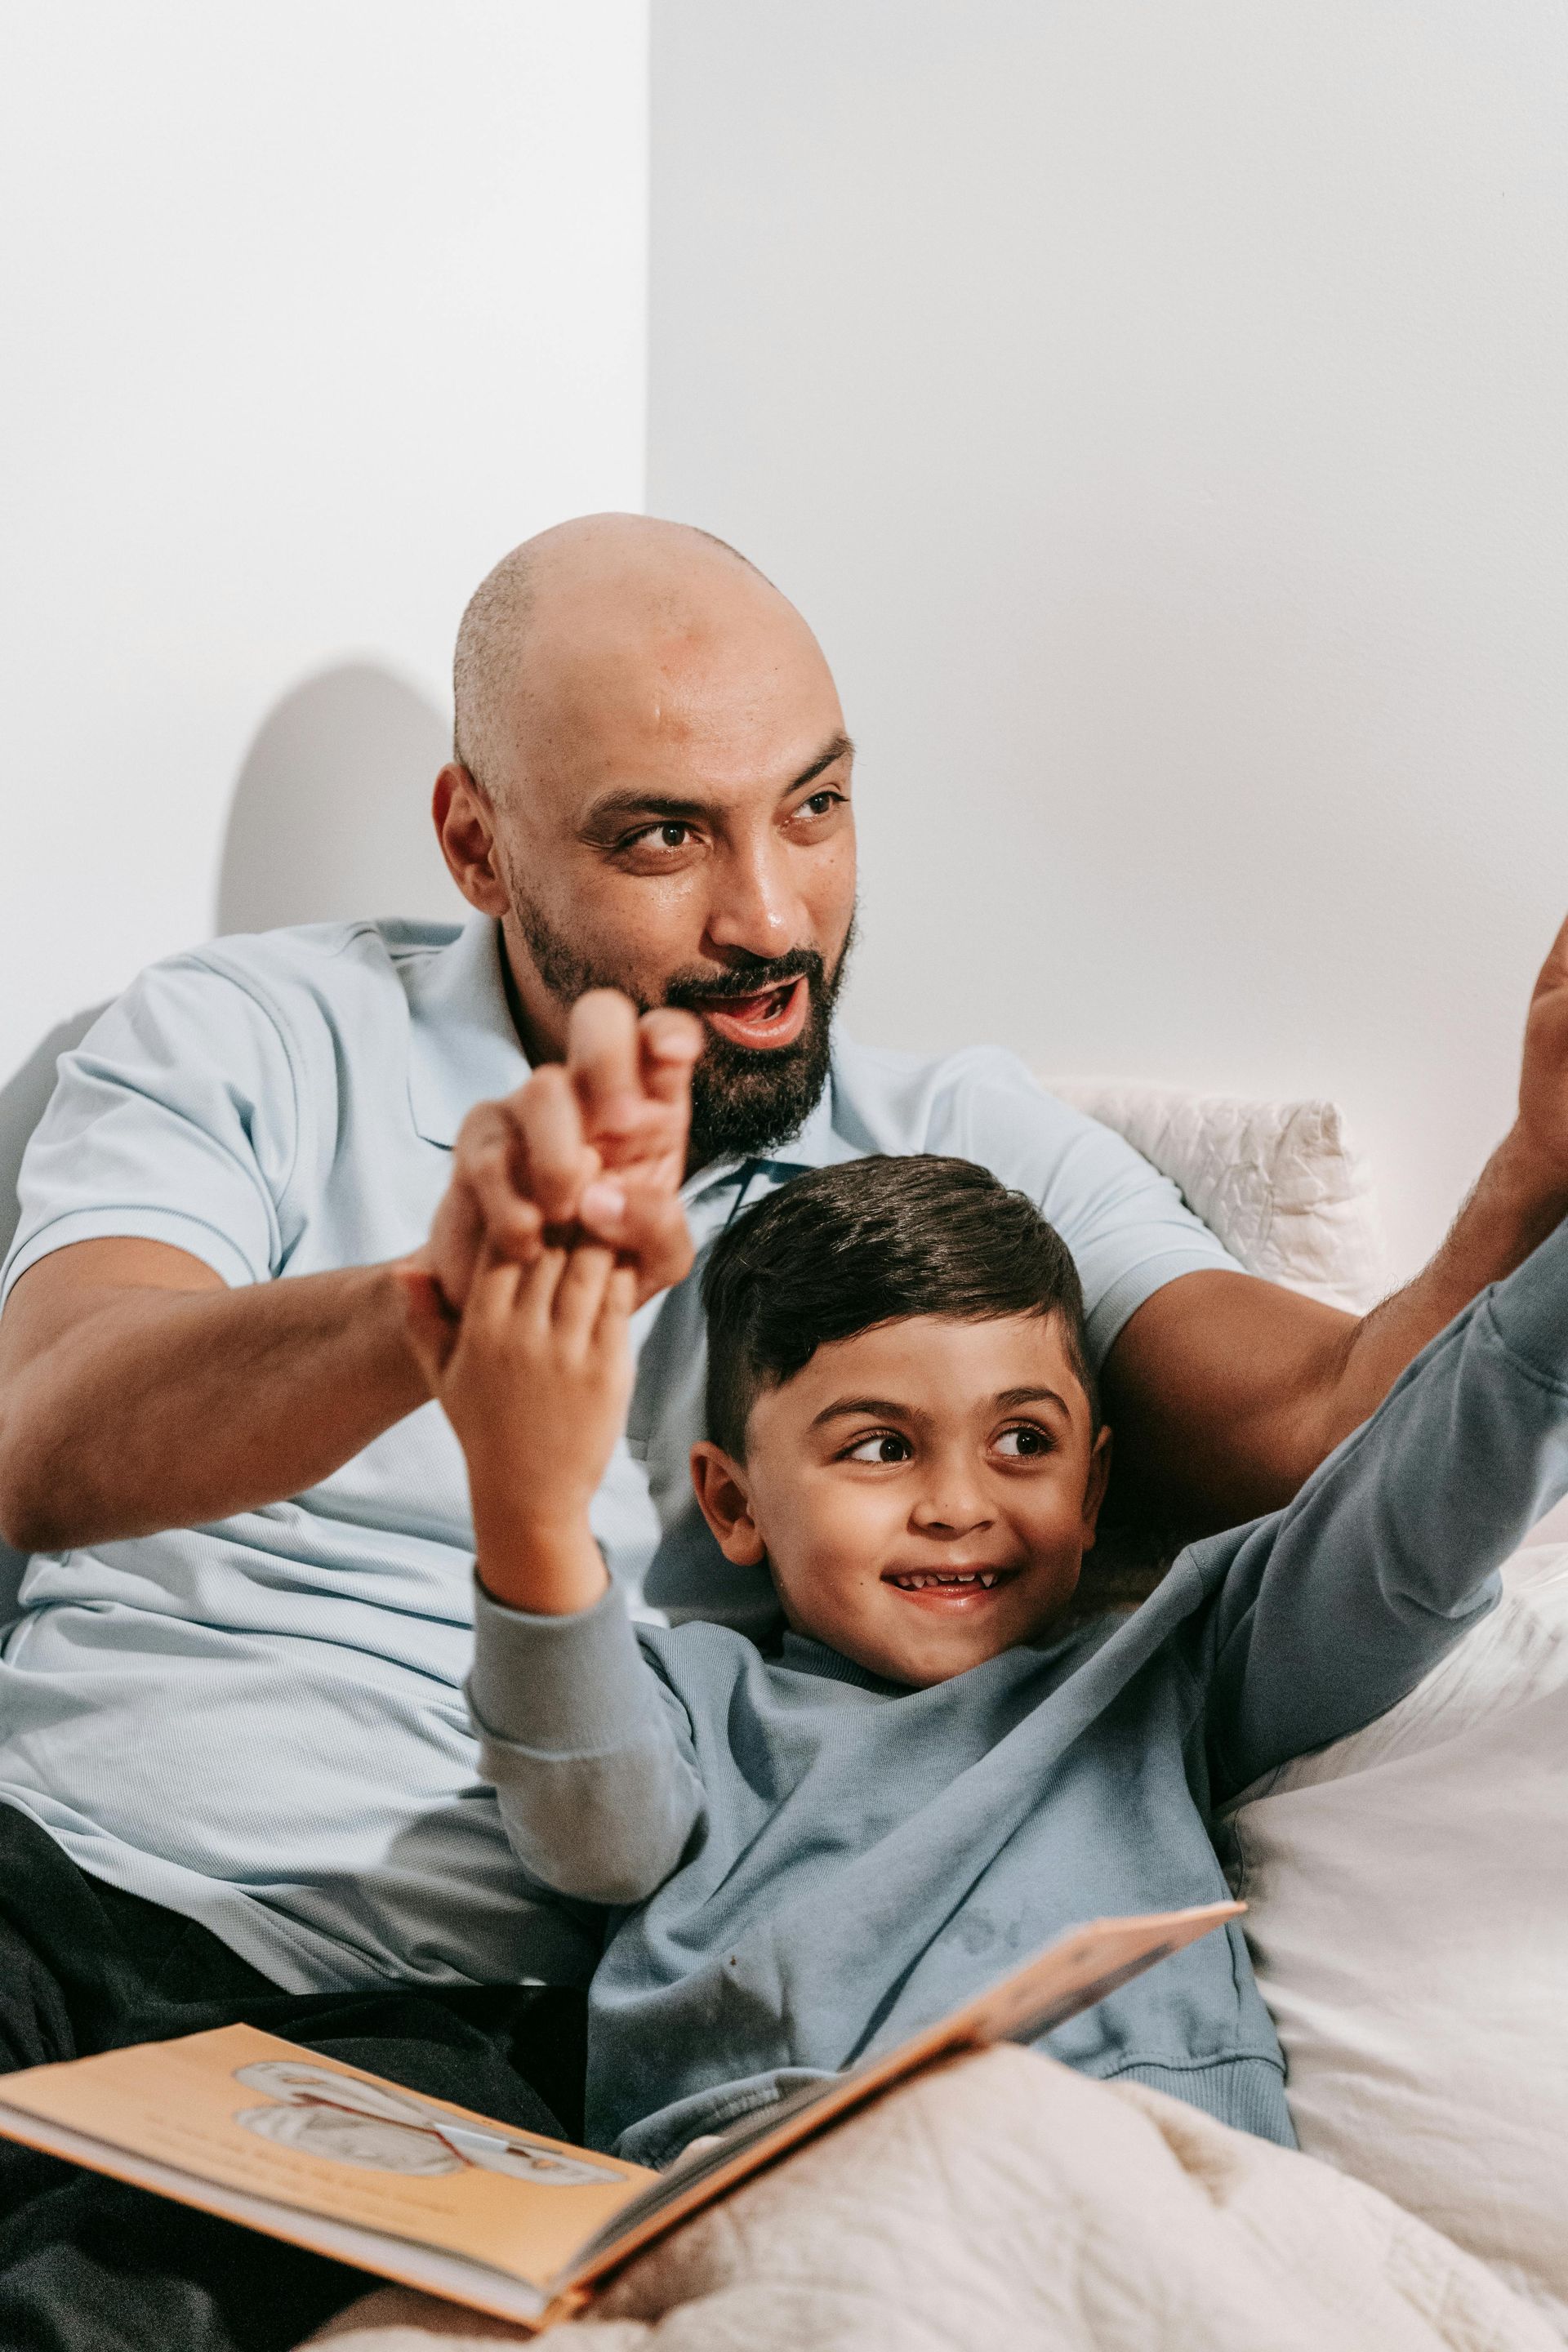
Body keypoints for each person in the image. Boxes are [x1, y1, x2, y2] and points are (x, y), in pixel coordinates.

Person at [0, 510, 1566, 2343]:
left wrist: (1531, 1179)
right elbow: (50, 1429)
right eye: (664, 835)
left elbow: (1333, 1428)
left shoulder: (956, 1155)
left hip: (441, 2033)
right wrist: (437, 1303)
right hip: (54, 1883)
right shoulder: (251, 1032)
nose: (767, 918)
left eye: (812, 810)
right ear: (475, 843)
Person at [420, 1147, 1567, 2167]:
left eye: (1024, 1442)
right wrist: (533, 1520)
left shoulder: (1169, 1665)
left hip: (1144, 2176)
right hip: (776, 2194)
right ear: (733, 1503)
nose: (959, 1505)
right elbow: (592, 1825)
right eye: (881, 1448)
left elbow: (1408, 1528)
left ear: (1094, 1488)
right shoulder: (687, 1700)